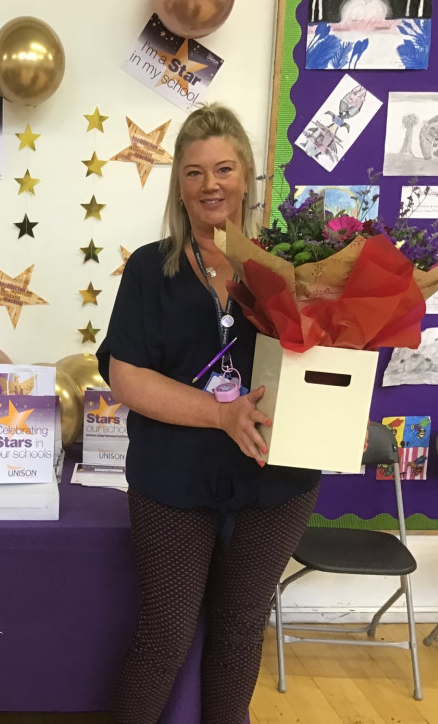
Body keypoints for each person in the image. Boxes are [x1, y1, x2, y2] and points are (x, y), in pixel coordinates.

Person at [97, 103, 321, 724]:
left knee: (241, 630)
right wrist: (220, 414)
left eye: (223, 168)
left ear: (248, 175)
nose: (210, 185)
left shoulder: (294, 267)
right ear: (179, 186)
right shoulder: (150, 267)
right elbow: (126, 376)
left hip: (275, 478)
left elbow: (329, 356)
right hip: (173, 478)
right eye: (193, 173)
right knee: (164, 636)